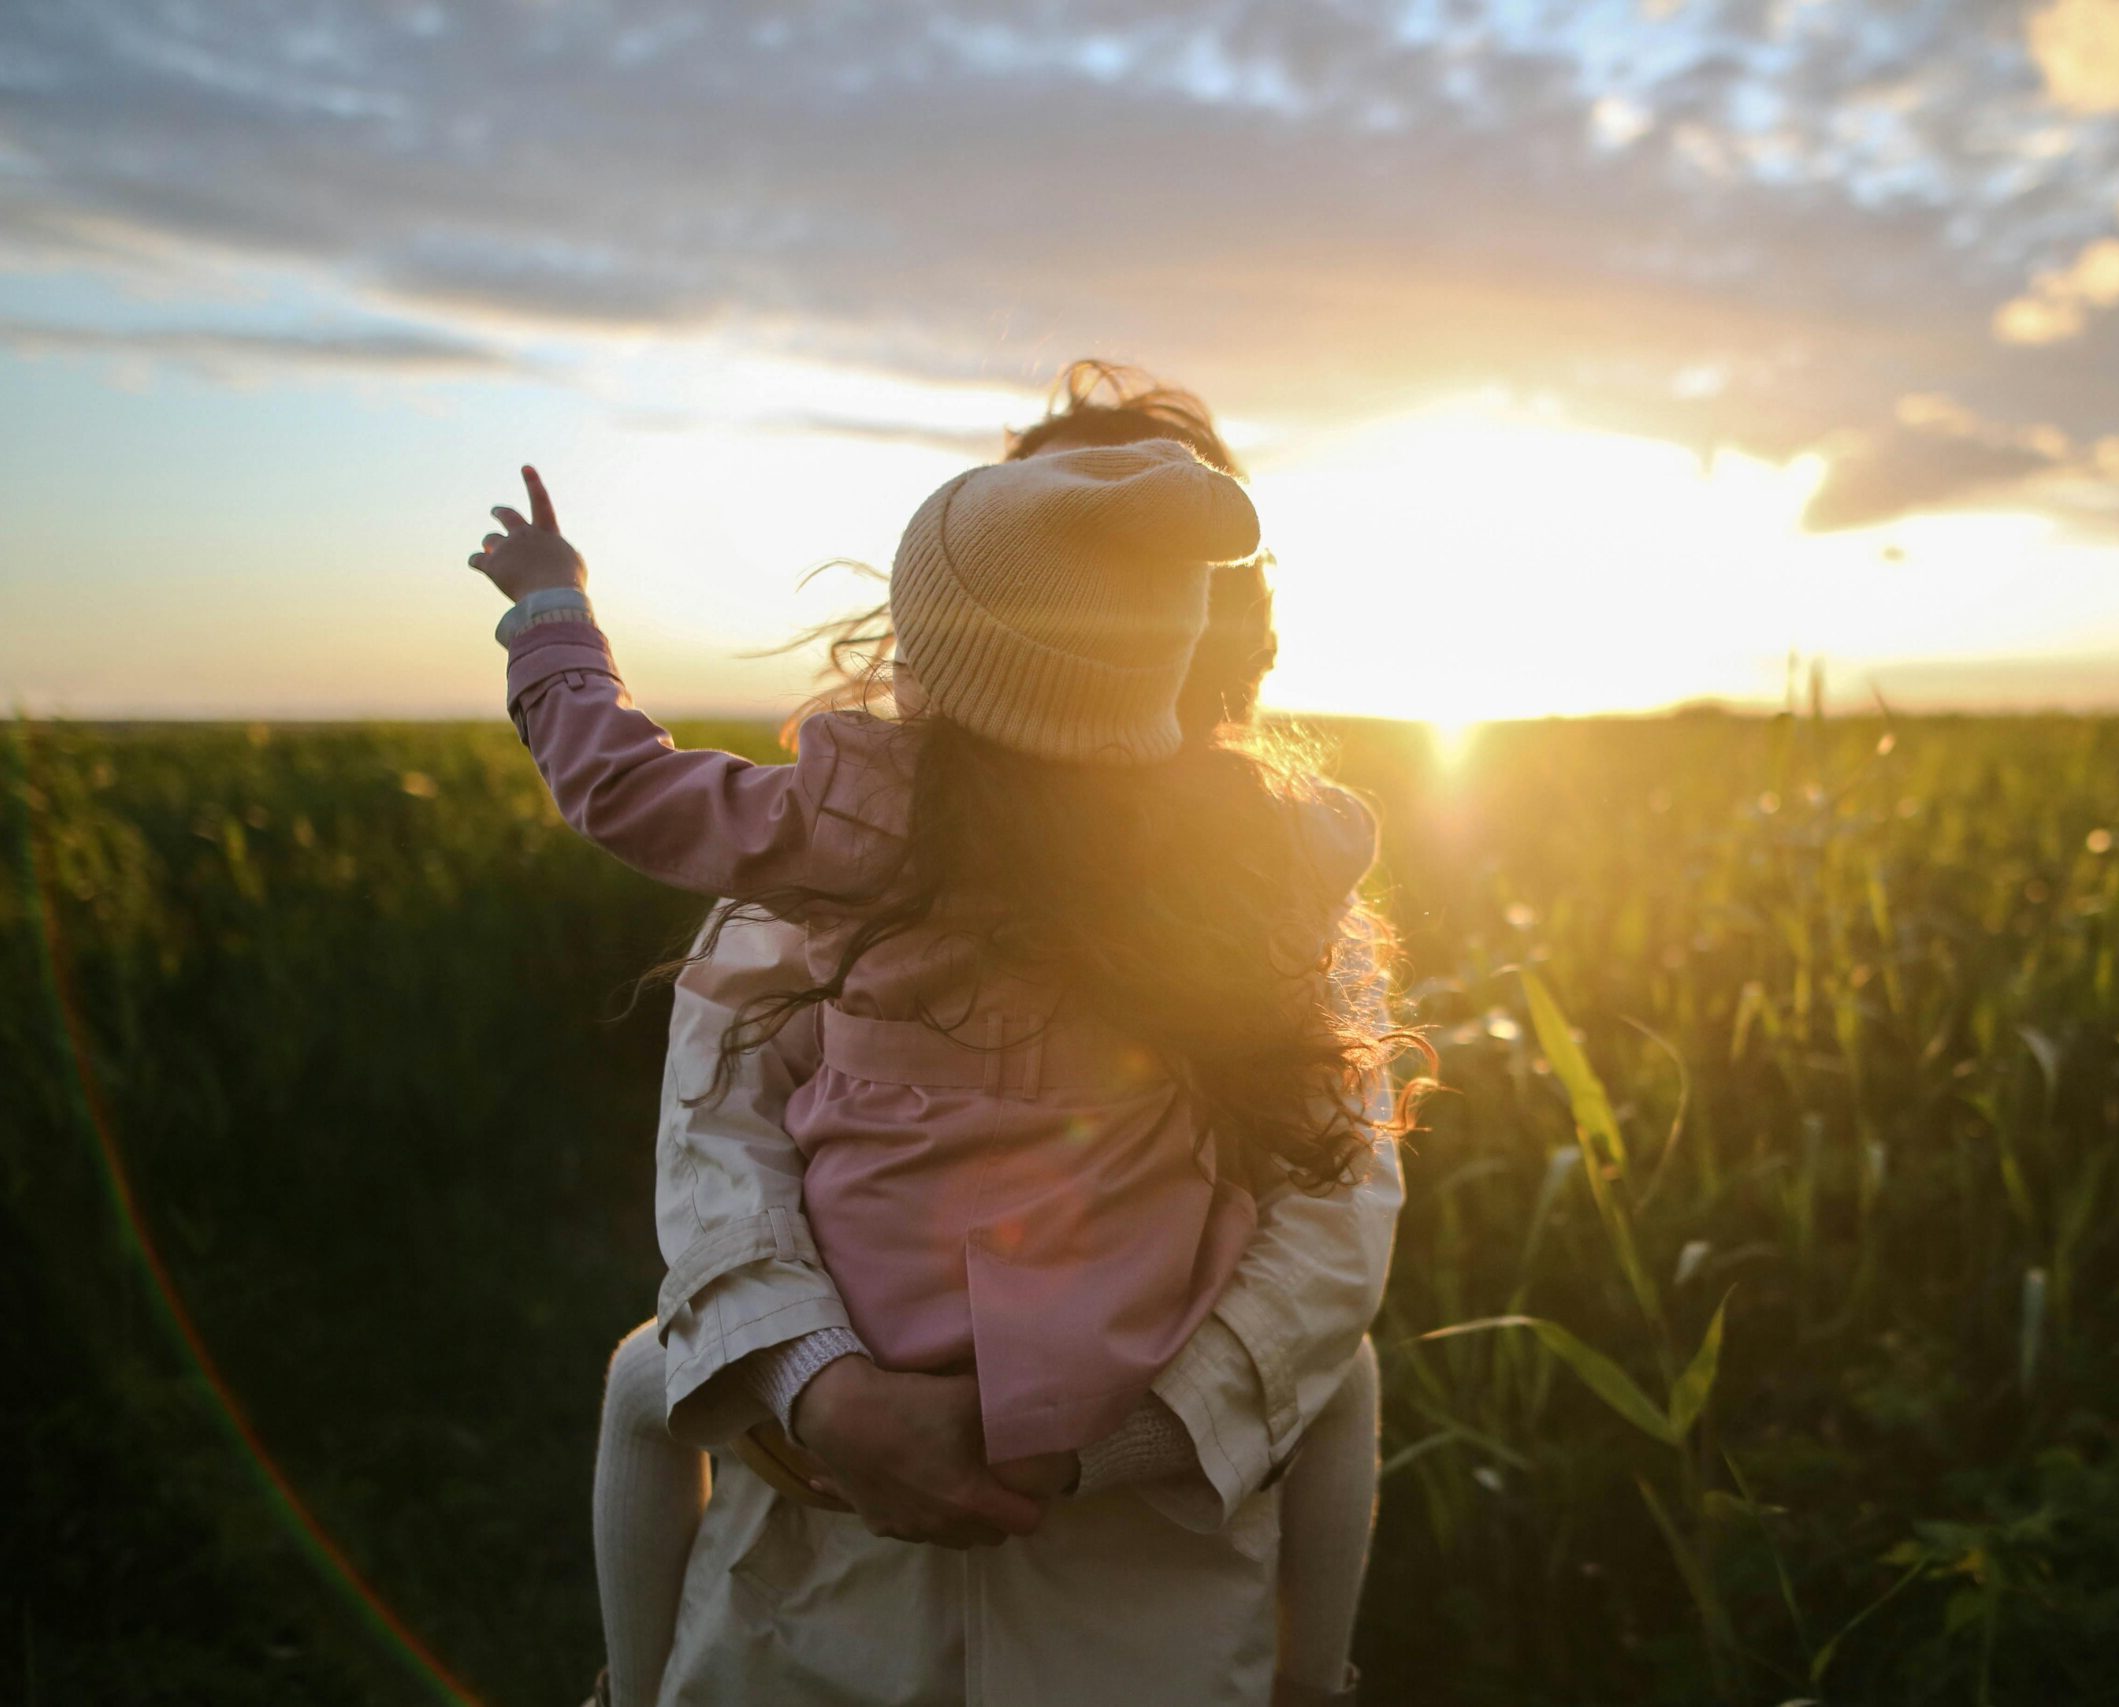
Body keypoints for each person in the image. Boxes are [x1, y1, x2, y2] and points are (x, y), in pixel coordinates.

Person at [466, 366, 1422, 1704]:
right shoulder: (1259, 856)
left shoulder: (844, 828)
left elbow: (1334, 1214)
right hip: (824, 1570)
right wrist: (828, 1395)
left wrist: (553, 618)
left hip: (1141, 1576)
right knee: (1346, 1386)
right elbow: (720, 1138)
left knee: (645, 1378)